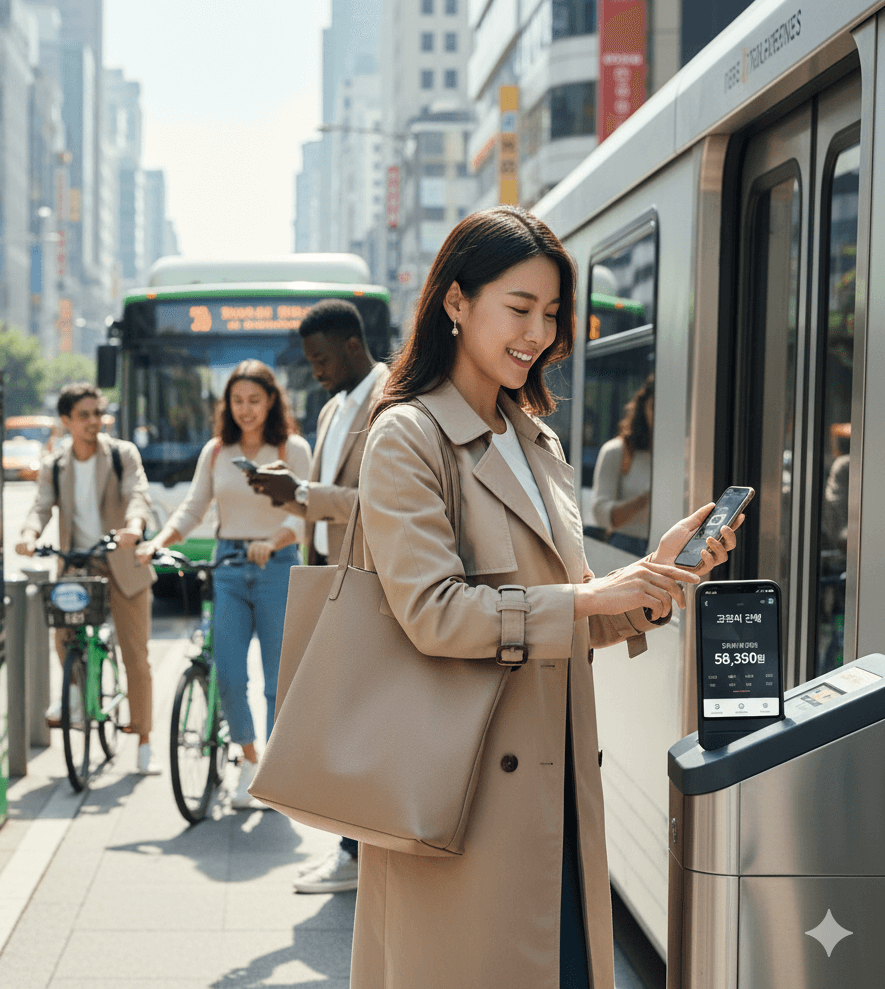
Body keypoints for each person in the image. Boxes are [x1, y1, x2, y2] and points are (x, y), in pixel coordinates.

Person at [350, 206, 742, 989]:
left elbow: (560, 615)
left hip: (557, 786)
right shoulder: (408, 435)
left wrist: (655, 582)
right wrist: (593, 601)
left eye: (553, 314)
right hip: (460, 798)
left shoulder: (537, 439)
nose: (538, 333)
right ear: (456, 303)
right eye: (519, 309)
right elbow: (434, 613)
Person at [247, 299, 389, 893]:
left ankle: (359, 852)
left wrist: (305, 491)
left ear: (353, 346)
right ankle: (354, 848)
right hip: (332, 578)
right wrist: (289, 495)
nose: (316, 371)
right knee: (341, 719)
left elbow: (386, 502)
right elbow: (329, 498)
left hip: (375, 581)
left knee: (362, 722)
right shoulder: (332, 409)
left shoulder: (395, 402)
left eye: (322, 359)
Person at [137, 360, 311, 809]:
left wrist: (274, 540)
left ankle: (276, 772)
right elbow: (194, 509)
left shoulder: (291, 448)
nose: (246, 410)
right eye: (237, 401)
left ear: (271, 401)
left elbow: (305, 509)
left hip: (279, 566)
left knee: (277, 683)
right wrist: (157, 541)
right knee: (228, 673)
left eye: (254, 400)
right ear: (226, 405)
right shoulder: (216, 451)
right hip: (228, 567)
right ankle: (250, 759)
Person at [17, 382, 159, 775]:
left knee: (135, 654)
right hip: (77, 563)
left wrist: (134, 526)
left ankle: (144, 739)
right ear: (66, 421)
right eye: (84, 415)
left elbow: (137, 493)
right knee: (62, 638)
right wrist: (29, 535)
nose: (94, 421)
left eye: (98, 413)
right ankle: (76, 694)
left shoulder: (121, 454)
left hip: (122, 562)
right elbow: (41, 506)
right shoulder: (55, 464)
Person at [591, 374, 654, 554]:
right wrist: (648, 498)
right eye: (655, 406)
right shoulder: (617, 451)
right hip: (627, 547)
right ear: (643, 407)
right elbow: (601, 514)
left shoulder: (686, 453)